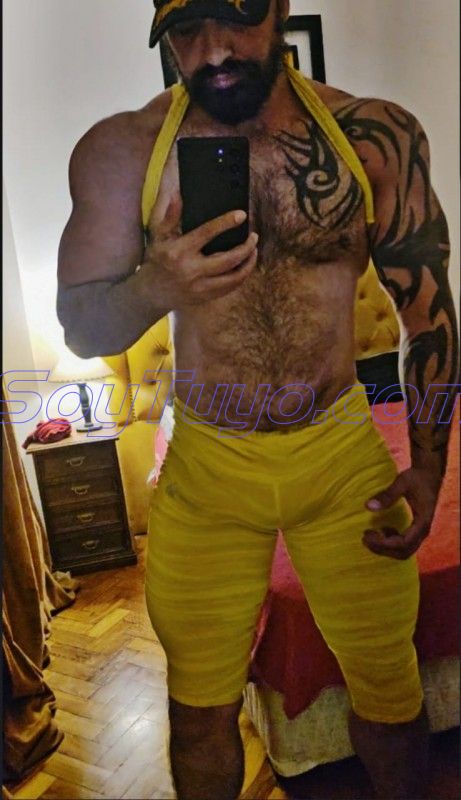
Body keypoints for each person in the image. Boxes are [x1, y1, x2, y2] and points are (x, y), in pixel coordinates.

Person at [57, 1, 459, 798]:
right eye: (185, 32)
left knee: (391, 698)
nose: (212, 52)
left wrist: (427, 468)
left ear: (276, 9)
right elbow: (79, 327)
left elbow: (428, 316)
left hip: (342, 458)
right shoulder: (120, 152)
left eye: (235, 19)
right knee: (198, 714)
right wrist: (158, 284)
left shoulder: (373, 137)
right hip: (208, 471)